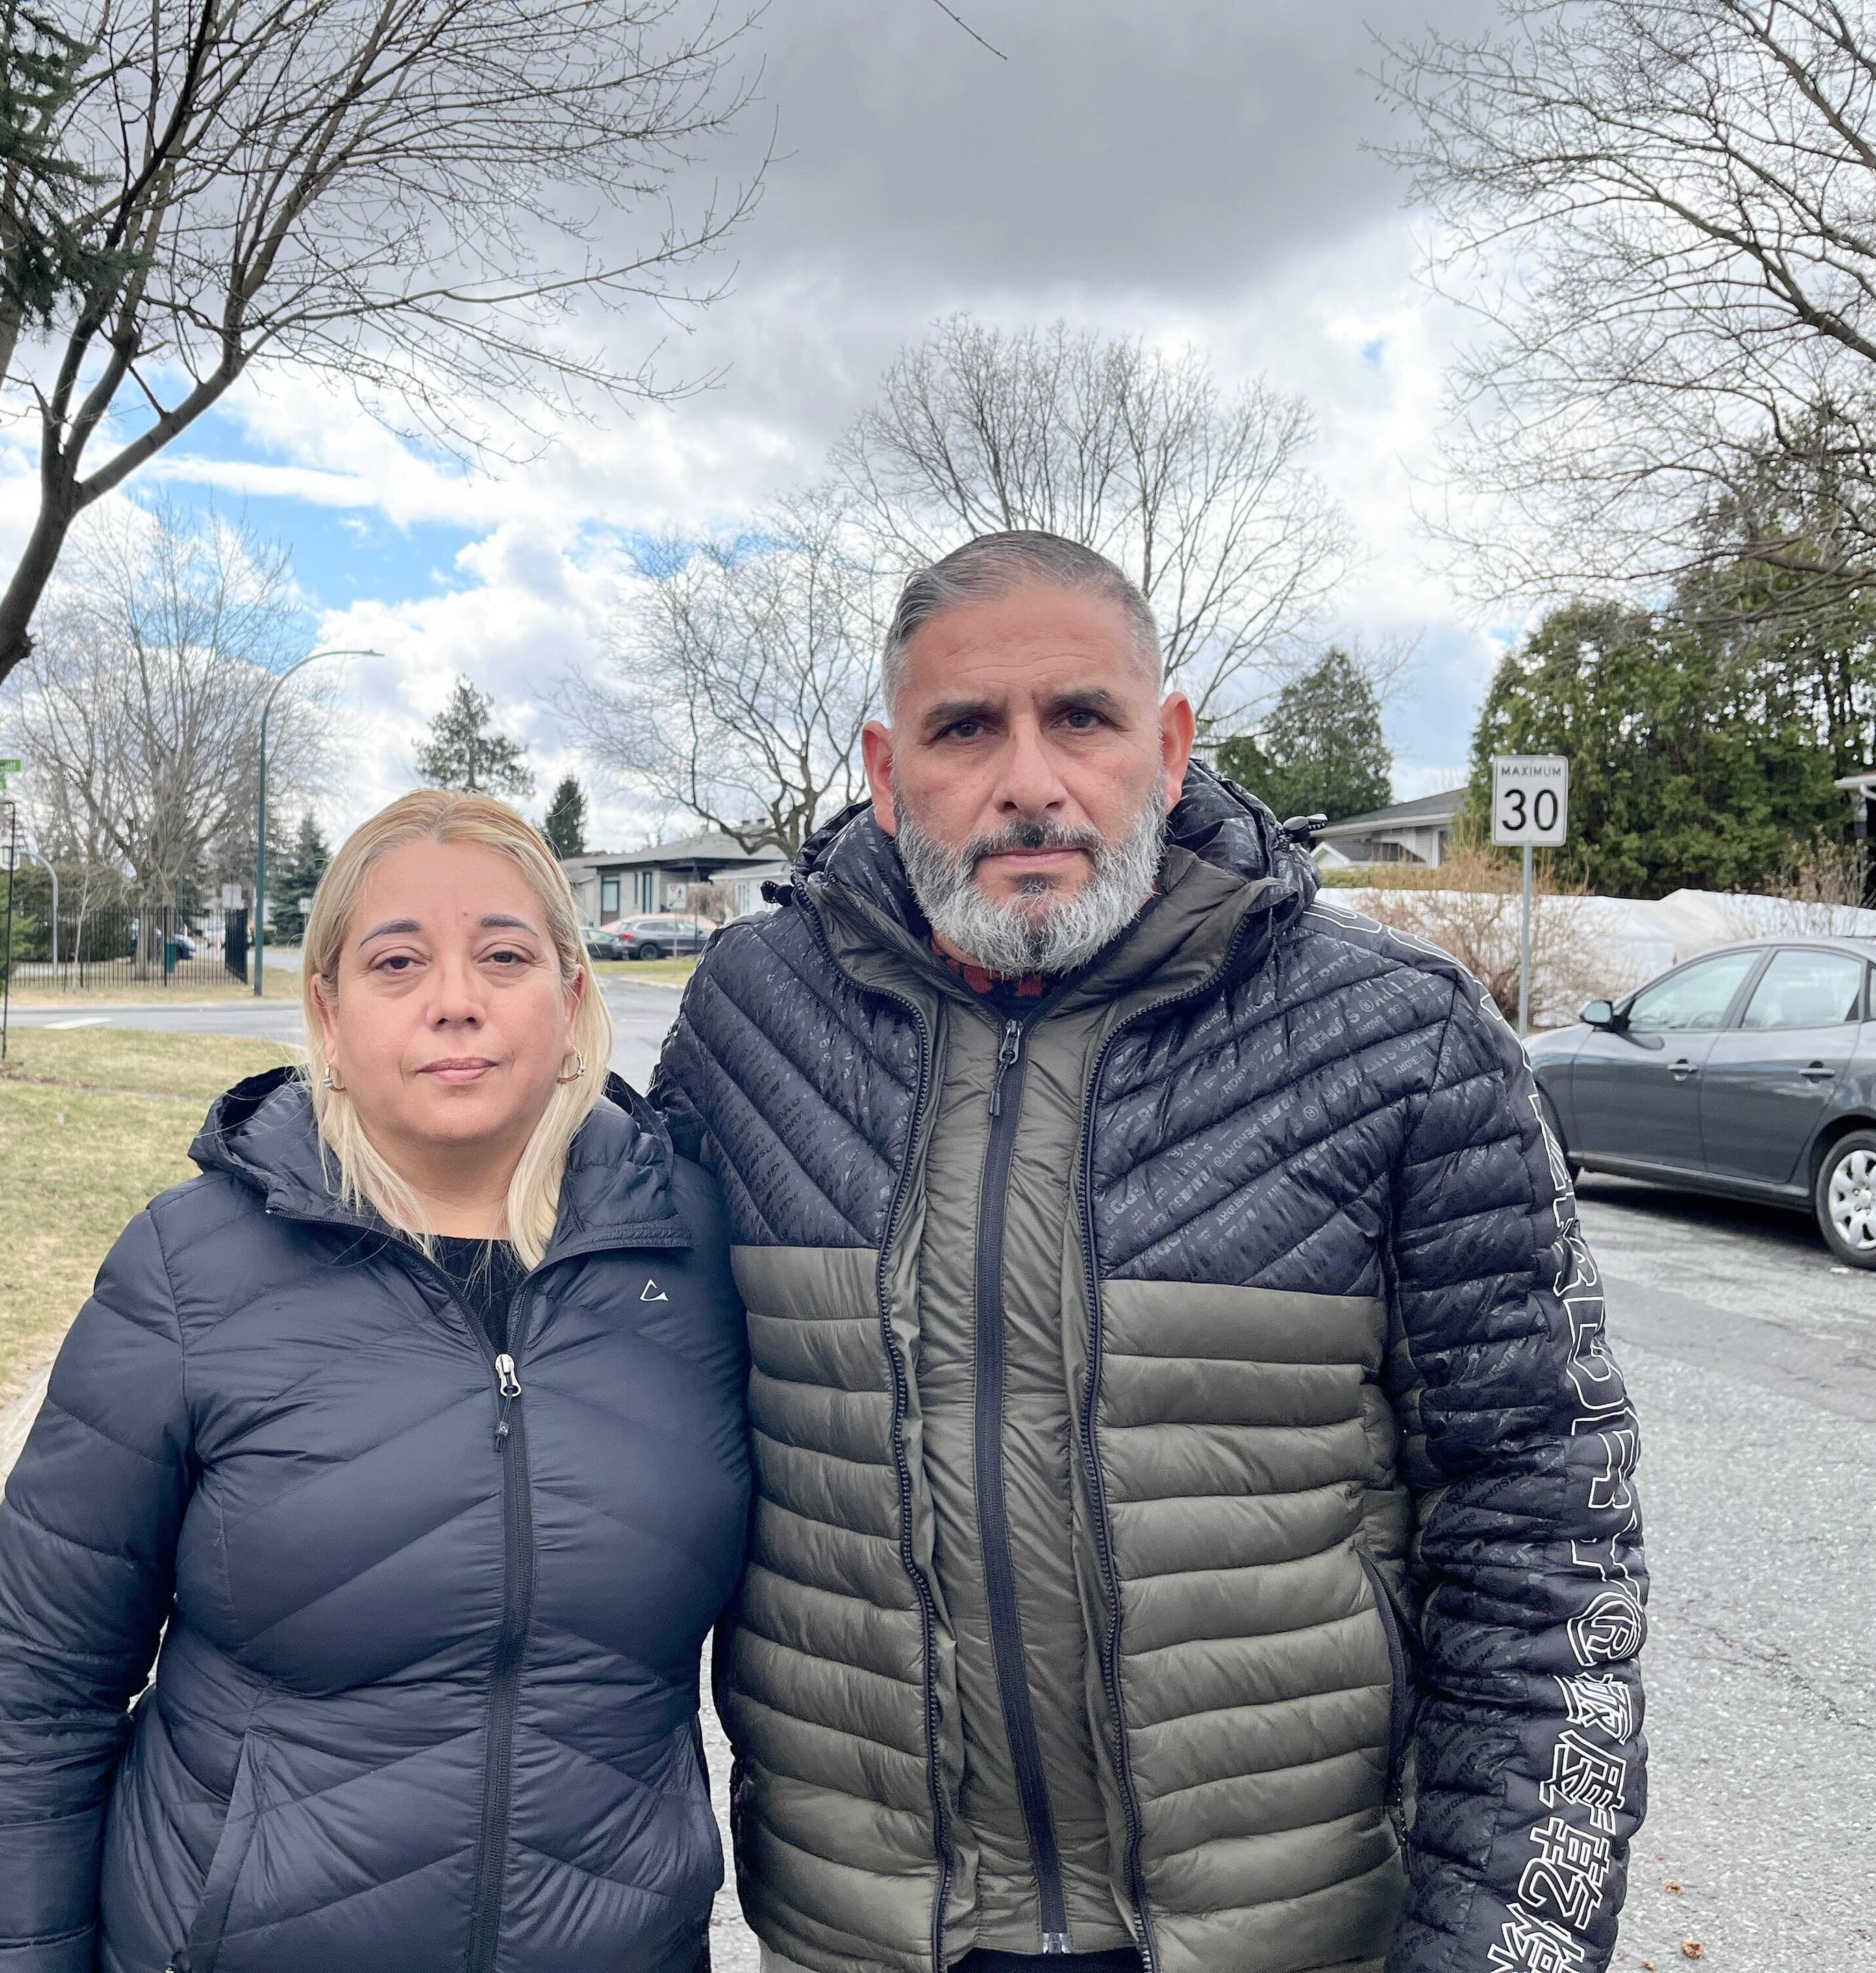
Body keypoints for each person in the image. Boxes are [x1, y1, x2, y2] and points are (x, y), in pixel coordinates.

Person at [655, 532, 1647, 1973]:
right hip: (866, 1933)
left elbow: (1549, 1537)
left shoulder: (1399, 1040)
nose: (1030, 779)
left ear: (1168, 746)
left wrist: (1509, 1947)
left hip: (1293, 1931)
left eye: (1082, 717)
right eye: (965, 728)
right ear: (884, 769)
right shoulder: (751, 1026)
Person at [0, 791, 752, 1973]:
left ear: (573, 1003)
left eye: (504, 955)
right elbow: (33, 1694)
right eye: (398, 959)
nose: (455, 998)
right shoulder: (187, 1271)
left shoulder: (700, 1263)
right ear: (327, 1011)